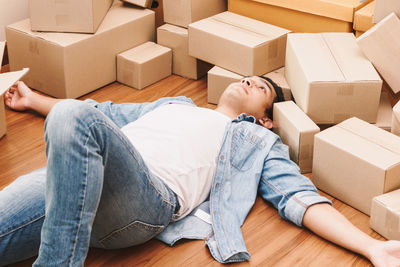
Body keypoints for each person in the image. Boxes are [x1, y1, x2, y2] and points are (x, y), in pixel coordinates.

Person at [0, 77, 399, 267]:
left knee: (75, 115)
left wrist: (372, 248)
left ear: (266, 120)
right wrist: (33, 98)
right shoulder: (176, 104)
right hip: (78, 179)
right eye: (249, 76)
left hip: (143, 199)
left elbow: (296, 195)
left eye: (261, 87)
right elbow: (106, 115)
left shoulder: (252, 139)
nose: (249, 80)